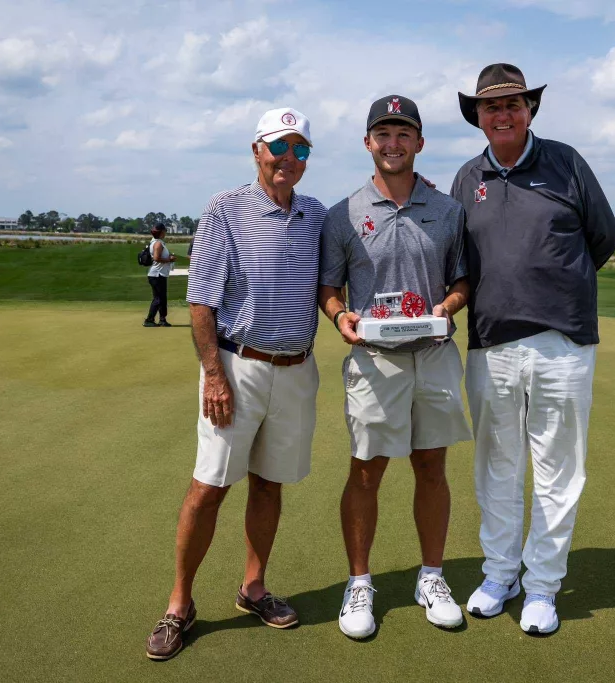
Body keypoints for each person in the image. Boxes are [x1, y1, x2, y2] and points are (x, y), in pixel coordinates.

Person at [145, 108, 327, 660]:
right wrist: (213, 375)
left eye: (300, 150)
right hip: (237, 367)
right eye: (279, 147)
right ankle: (180, 604)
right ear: (256, 150)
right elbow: (200, 300)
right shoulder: (224, 209)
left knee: (269, 484)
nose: (289, 159)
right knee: (210, 487)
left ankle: (254, 588)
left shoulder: (318, 213)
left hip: (297, 369)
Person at [450, 64, 615, 635]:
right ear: (477, 116)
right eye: (491, 106)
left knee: (557, 470)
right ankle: (501, 574)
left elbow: (604, 237)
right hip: (492, 341)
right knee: (497, 467)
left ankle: (544, 584)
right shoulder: (466, 176)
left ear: (530, 110)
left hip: (562, 341)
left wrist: (556, 285)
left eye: (513, 104)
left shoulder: (566, 163)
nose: (502, 114)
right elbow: (459, 260)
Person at [318, 95, 472, 640]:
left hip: (433, 356)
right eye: (383, 134)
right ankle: (359, 583)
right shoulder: (343, 214)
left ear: (419, 143)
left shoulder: (449, 211)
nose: (393, 143)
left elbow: (461, 281)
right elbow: (329, 287)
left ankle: (431, 577)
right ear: (368, 143)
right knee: (367, 469)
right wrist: (340, 317)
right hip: (374, 360)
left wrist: (446, 309)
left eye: (404, 134)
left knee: (432, 466)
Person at [144, 223, 176, 327]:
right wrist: (169, 259)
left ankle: (162, 319)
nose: (166, 232)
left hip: (159, 274)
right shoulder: (158, 243)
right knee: (158, 299)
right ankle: (149, 320)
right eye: (165, 231)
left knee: (162, 298)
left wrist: (168, 258)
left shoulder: (157, 242)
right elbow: (157, 258)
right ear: (162, 232)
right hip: (157, 275)